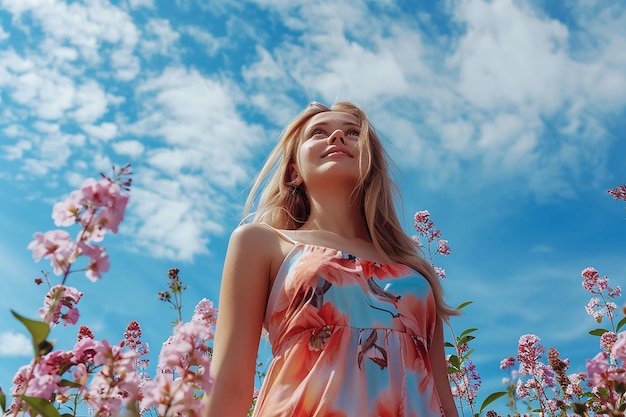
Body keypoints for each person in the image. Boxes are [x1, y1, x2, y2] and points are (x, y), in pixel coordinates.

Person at [202, 101, 459, 417]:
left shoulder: (416, 273)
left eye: (352, 133)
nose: (337, 136)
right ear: (294, 170)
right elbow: (230, 382)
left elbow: (441, 395)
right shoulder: (262, 242)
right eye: (318, 133)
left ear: (371, 163)